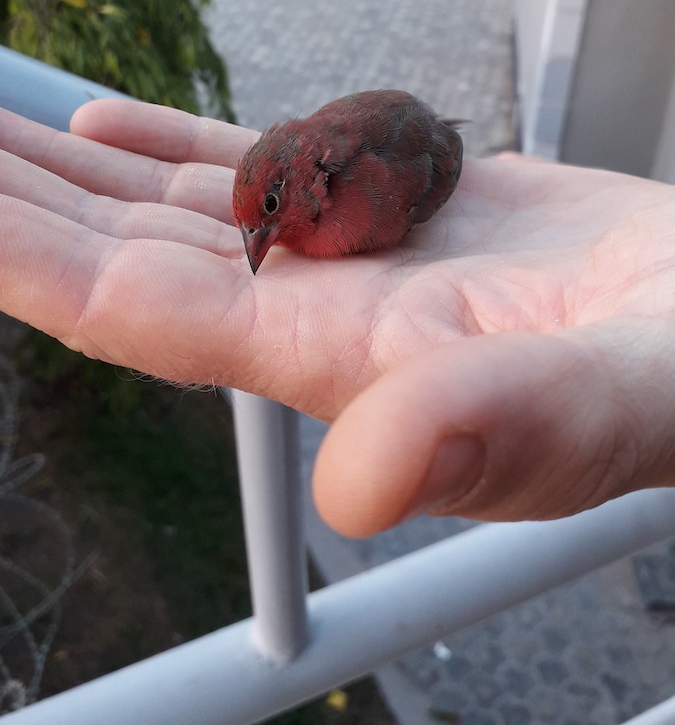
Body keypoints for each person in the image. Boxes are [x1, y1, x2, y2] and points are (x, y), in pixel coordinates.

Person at [1, 97, 674, 538]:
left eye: (265, 213)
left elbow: (439, 157)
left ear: (308, 176)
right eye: (252, 229)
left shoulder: (385, 182)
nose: (257, 244)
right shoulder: (295, 190)